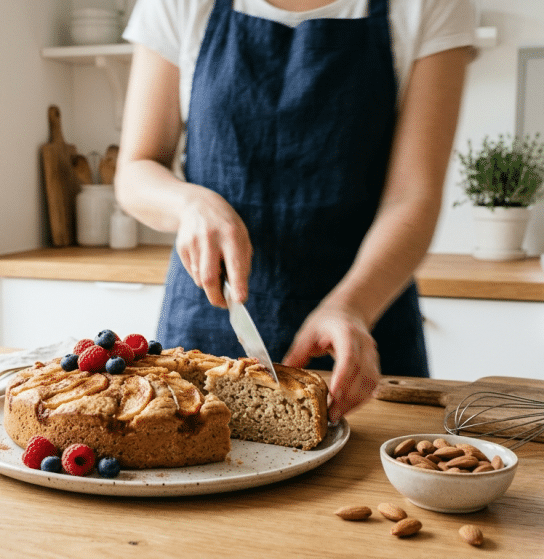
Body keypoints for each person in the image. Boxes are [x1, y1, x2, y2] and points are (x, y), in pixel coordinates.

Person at [114, 0, 475, 423]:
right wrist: (190, 204)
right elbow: (136, 171)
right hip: (208, 322)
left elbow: (413, 195)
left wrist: (352, 307)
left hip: (361, 329)